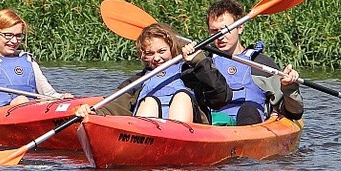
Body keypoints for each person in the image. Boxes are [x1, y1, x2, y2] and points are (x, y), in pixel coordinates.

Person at [76, 23, 232, 124]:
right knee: (149, 100)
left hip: (187, 131)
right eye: (149, 53)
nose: (156, 58)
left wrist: (199, 61)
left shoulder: (190, 73)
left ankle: (175, 140)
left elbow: (221, 97)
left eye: (162, 51)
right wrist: (92, 111)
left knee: (181, 97)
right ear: (143, 55)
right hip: (151, 136)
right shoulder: (138, 81)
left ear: (172, 49)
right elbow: (114, 105)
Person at [0, 8, 73, 113]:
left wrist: (63, 98)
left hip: (31, 114)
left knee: (68, 99)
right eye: (8, 35)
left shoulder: (28, 61)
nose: (14, 41)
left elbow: (49, 94)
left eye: (18, 36)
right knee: (21, 100)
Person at [206, 0, 304, 125]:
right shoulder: (204, 64)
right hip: (214, 128)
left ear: (240, 28)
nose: (220, 36)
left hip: (250, 126)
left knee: (248, 109)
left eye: (226, 29)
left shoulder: (260, 64)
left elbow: (294, 113)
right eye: (214, 31)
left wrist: (289, 88)